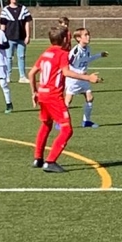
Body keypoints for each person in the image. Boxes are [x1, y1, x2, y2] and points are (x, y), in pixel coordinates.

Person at [29, 24, 103, 173]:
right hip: (53, 97)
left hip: (43, 94)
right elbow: (66, 72)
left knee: (46, 125)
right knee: (67, 130)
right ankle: (50, 161)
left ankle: (38, 158)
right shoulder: (62, 54)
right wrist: (88, 77)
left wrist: (34, 92)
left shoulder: (46, 53)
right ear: (64, 39)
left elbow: (31, 73)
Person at [65, 27, 108, 127]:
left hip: (84, 78)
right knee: (68, 101)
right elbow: (68, 66)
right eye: (85, 35)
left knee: (90, 98)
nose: (88, 37)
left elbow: (87, 59)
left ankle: (86, 121)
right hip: (74, 79)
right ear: (78, 38)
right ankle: (61, 122)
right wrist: (81, 73)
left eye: (88, 34)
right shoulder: (75, 52)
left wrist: (99, 55)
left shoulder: (87, 48)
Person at [0, 0, 33, 83]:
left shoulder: (23, 9)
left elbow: (27, 23)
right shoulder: (5, 10)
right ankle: (7, 76)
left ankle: (22, 76)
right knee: (8, 57)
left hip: (21, 37)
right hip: (9, 37)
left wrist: (28, 36)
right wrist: (2, 37)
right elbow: (3, 25)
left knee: (21, 57)